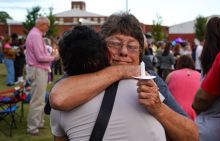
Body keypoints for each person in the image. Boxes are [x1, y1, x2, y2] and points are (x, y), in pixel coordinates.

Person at [50, 12, 198, 141]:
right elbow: (58, 98)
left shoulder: (150, 80)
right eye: (115, 44)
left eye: (132, 46)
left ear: (140, 53)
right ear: (102, 47)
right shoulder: (84, 76)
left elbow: (191, 136)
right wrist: (122, 71)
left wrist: (159, 109)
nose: (124, 52)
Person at [25, 16, 59, 135]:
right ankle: (32, 128)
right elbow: (40, 57)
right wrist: (54, 57)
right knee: (37, 100)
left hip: (38, 69)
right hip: (37, 69)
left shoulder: (35, 34)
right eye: (47, 26)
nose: (48, 28)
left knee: (39, 99)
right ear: (42, 24)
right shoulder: (35, 35)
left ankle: (38, 123)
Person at [166, 55, 200, 120]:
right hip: (195, 112)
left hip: (175, 112)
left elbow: (165, 93)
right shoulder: (199, 75)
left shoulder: (171, 75)